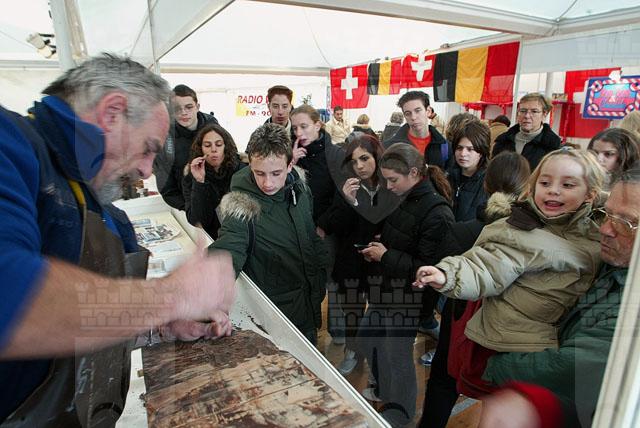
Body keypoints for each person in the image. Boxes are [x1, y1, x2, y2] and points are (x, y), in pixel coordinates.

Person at [0, 54, 236, 426]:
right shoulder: (9, 145)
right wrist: (169, 296)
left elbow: (84, 328)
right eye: (148, 148)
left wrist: (160, 326)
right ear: (112, 113)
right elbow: (9, 298)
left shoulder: (108, 216)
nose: (145, 170)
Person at [415, 148, 605, 397]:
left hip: (558, 341)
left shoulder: (598, 230)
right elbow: (485, 265)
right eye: (545, 183)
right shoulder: (520, 231)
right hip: (520, 343)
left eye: (567, 185)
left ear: (590, 194)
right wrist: (447, 274)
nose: (553, 190)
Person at [480, 167, 640, 428]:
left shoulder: (632, 304)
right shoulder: (611, 259)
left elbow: (573, 367)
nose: (605, 229)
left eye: (626, 223)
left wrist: (494, 366)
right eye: (607, 214)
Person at [419, 151, 531, 428]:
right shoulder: (534, 238)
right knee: (500, 393)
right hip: (510, 329)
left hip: (460, 319)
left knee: (444, 379)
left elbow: (439, 280)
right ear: (528, 187)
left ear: (486, 185)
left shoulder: (463, 231)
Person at [357, 143, 454, 427]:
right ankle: (385, 389)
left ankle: (401, 413)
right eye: (386, 179)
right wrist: (379, 245)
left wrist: (385, 255)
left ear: (413, 173)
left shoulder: (437, 213)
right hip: (386, 288)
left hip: (408, 298)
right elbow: (400, 235)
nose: (388, 185)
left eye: (393, 180)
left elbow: (428, 269)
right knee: (367, 339)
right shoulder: (403, 196)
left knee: (397, 357)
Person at [211, 123, 329, 345]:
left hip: (309, 301)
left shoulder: (300, 189)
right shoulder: (242, 205)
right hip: (275, 315)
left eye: (276, 173)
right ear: (250, 164)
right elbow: (228, 249)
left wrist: (323, 271)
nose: (268, 183)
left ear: (290, 164)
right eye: (259, 173)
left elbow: (309, 235)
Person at [322, 134, 400, 376]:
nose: (359, 166)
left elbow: (397, 222)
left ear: (377, 156)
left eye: (364, 158)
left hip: (380, 260)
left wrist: (384, 239)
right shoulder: (347, 184)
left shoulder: (390, 183)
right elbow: (335, 225)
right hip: (351, 261)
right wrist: (349, 201)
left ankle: (376, 353)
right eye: (354, 161)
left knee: (378, 311)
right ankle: (353, 350)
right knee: (352, 310)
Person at [154, 84, 219, 210]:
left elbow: (230, 159)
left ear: (197, 107)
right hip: (188, 205)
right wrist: (188, 208)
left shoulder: (213, 126)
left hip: (219, 202)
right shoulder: (164, 138)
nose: (183, 113)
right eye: (177, 109)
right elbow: (166, 187)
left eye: (189, 107)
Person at [182, 123, 246, 239]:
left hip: (241, 236)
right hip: (212, 238)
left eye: (219, 144)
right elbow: (198, 221)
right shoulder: (191, 176)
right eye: (207, 145)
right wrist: (199, 181)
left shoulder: (242, 171)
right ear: (200, 148)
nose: (213, 150)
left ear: (226, 146)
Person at [290, 104, 341, 227]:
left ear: (317, 125)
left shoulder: (336, 155)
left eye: (304, 127)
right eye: (295, 128)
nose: (298, 133)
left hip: (327, 227)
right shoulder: (290, 154)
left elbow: (341, 198)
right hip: (297, 225)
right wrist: (290, 163)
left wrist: (324, 225)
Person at [384, 91, 451, 170]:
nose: (413, 117)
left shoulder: (445, 147)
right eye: (408, 113)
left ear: (428, 111)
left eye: (418, 111)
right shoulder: (389, 148)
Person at [492, 93, 561, 169]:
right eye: (523, 111)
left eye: (534, 111)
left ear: (544, 114)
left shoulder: (552, 146)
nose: (527, 116)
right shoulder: (503, 141)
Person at [448, 119, 490, 221]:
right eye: (459, 148)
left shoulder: (490, 183)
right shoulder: (447, 176)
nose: (463, 154)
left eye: (470, 149)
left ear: (481, 152)